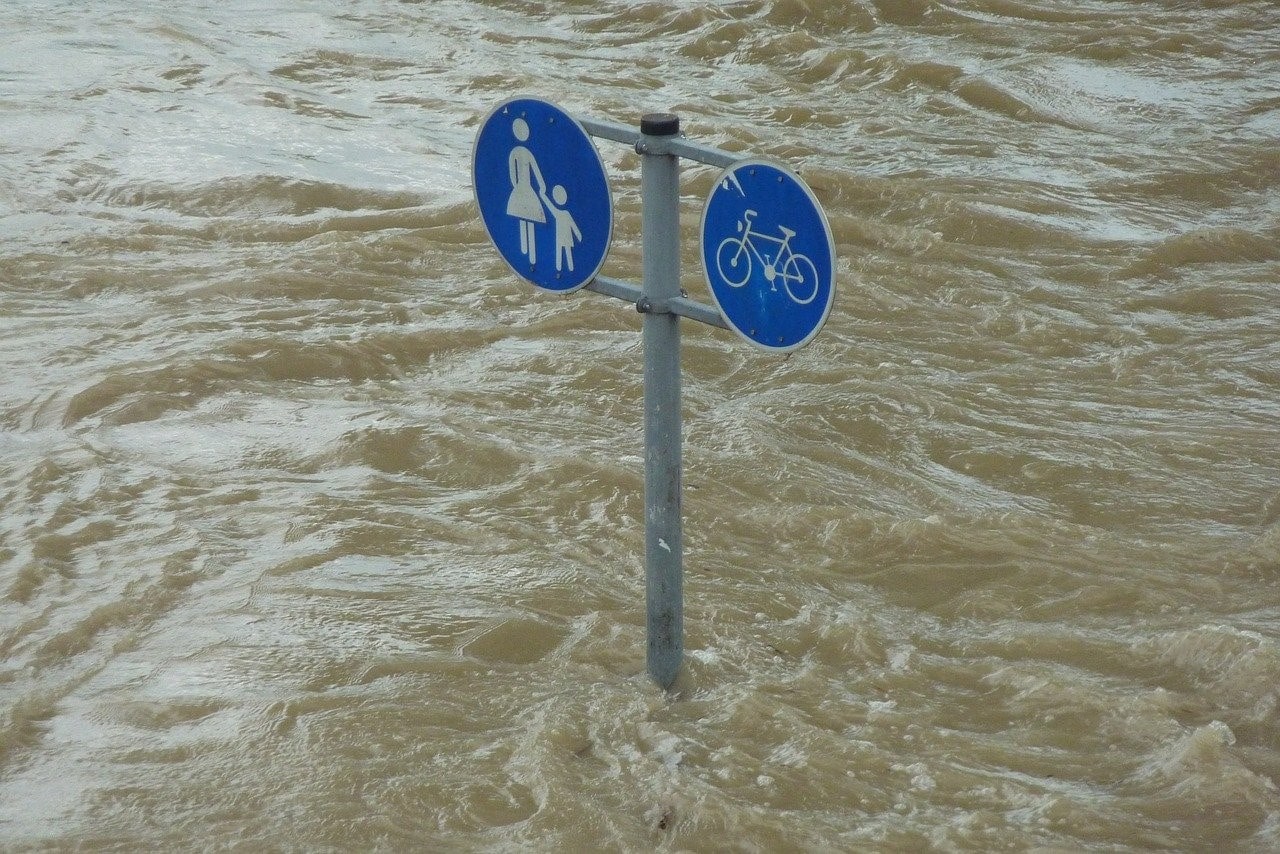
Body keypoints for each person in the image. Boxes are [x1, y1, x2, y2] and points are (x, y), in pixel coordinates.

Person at [505, 118, 546, 264]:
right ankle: (527, 255)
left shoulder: (520, 152)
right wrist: (540, 186)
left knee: (528, 218)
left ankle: (531, 258)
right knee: (524, 218)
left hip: (523, 189)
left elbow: (534, 170)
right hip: (523, 189)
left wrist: (540, 185)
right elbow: (514, 171)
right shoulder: (517, 152)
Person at [542, 185, 582, 273]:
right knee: (561, 252)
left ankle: (567, 269)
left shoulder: (563, 213)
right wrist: (543, 196)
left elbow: (573, 225)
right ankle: (562, 269)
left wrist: (578, 235)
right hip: (561, 237)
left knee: (565, 252)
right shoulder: (561, 213)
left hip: (565, 236)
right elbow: (550, 206)